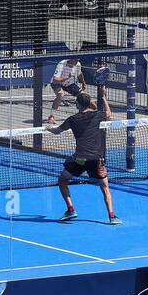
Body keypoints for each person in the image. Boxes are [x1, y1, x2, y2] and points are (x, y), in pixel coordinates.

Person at [47, 90, 120, 225]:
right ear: (89, 104)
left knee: (62, 180)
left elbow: (57, 131)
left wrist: (48, 127)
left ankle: (70, 209)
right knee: (105, 188)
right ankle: (112, 216)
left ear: (78, 105)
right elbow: (109, 114)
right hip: (97, 161)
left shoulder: (73, 119)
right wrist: (104, 97)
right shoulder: (98, 115)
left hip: (80, 160)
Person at [46, 57, 87, 123]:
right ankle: (51, 116)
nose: (76, 61)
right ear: (70, 59)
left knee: (83, 95)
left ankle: (82, 114)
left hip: (69, 84)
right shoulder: (62, 64)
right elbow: (55, 79)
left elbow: (80, 74)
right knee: (60, 94)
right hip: (57, 83)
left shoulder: (78, 64)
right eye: (75, 59)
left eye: (78, 60)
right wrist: (67, 77)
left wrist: (83, 83)